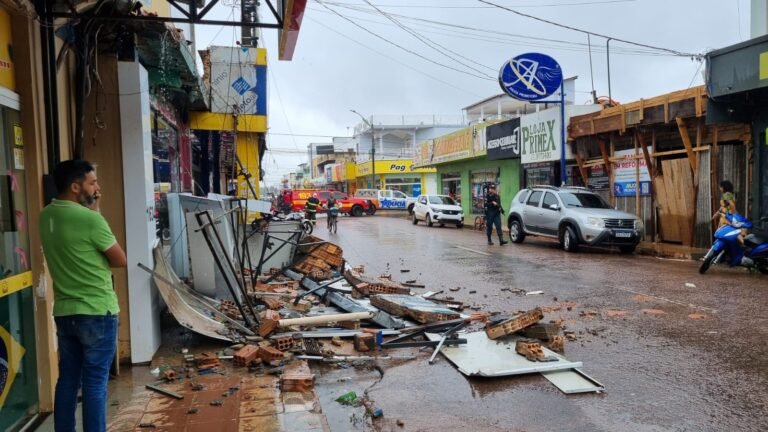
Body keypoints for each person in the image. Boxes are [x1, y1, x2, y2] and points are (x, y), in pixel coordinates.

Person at [39, 160, 127, 432]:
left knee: (67, 380)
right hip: (97, 311)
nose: (97, 187)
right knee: (94, 382)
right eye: (92, 182)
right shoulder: (90, 220)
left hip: (65, 311)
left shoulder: (46, 215)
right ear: (75, 187)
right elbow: (120, 260)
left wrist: (94, 209)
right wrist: (95, 213)